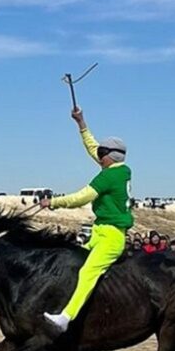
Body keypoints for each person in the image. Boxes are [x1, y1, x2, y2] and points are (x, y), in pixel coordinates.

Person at [40, 106, 133, 332]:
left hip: (111, 237)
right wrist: (81, 123)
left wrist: (52, 202)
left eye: (101, 152)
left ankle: (66, 318)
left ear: (109, 156)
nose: (97, 154)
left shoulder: (110, 176)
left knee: (88, 272)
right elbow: (92, 146)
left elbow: (82, 198)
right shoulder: (119, 170)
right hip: (99, 232)